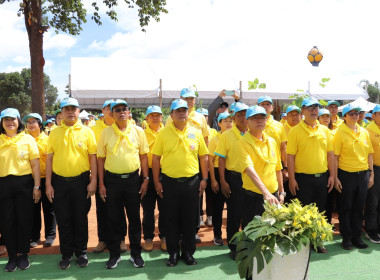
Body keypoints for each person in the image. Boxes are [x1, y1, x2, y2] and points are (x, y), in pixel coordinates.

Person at [152, 99, 209, 267]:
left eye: (184, 110)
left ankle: (188, 253)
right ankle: (173, 253)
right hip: (169, 183)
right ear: (171, 114)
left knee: (190, 219)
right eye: (178, 110)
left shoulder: (196, 132)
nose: (182, 113)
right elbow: (155, 158)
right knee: (171, 219)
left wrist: (204, 178)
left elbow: (203, 156)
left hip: (192, 183)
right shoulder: (163, 133)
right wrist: (156, 181)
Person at [46, 97, 97, 269]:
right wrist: (48, 184)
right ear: (61, 112)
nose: (70, 112)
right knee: (64, 219)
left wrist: (94, 181)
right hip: (59, 182)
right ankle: (66, 254)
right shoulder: (54, 132)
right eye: (66, 109)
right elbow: (49, 158)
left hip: (81, 182)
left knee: (80, 219)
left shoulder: (87, 132)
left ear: (78, 111)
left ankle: (81, 253)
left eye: (73, 108)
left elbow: (93, 158)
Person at [97, 99, 149, 269]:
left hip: (133, 180)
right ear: (111, 114)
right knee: (113, 218)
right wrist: (101, 184)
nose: (121, 112)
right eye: (117, 110)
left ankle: (136, 254)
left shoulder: (138, 131)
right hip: (112, 181)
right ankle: (114, 254)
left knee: (134, 218)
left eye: (124, 109)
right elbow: (100, 159)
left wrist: (145, 179)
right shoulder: (105, 133)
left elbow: (143, 156)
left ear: (128, 112)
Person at [287, 98, 335, 253]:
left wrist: (332, 176)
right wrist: (292, 179)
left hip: (322, 177)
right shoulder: (295, 131)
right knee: (302, 212)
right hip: (302, 179)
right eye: (310, 108)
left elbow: (330, 155)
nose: (314, 110)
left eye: (316, 107)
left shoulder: (325, 130)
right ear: (303, 111)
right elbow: (290, 157)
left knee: (320, 211)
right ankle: (302, 243)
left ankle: (318, 241)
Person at [165, 88, 209, 242]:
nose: (190, 101)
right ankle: (177, 233)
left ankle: (193, 230)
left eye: (192, 98)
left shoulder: (200, 117)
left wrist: (205, 165)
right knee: (177, 203)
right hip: (177, 160)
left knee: (196, 197)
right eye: (187, 98)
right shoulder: (172, 117)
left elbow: (205, 139)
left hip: (196, 157)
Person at [0, 108, 41, 272]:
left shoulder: (28, 139)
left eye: (13, 119)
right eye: (6, 120)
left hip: (24, 183)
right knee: (6, 221)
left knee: (24, 220)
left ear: (18, 122)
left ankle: (23, 254)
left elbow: (35, 164)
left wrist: (37, 187)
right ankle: (12, 257)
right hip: (3, 184)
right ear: (2, 123)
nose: (10, 122)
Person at [334, 104, 374, 250]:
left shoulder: (364, 132)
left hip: (363, 174)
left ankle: (357, 237)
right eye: (350, 113)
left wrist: (371, 173)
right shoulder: (340, 132)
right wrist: (336, 177)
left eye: (356, 113)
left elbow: (369, 154)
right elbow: (335, 157)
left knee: (358, 208)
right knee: (346, 208)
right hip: (346, 175)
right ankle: (346, 238)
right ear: (344, 117)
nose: (354, 115)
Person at [91, 100, 128, 254]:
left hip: (117, 173)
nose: (113, 111)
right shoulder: (94, 129)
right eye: (109, 108)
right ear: (104, 110)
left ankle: (120, 239)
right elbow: (94, 155)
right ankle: (103, 239)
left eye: (119, 109)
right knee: (102, 208)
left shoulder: (126, 126)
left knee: (119, 209)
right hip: (102, 173)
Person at [238, 106, 284, 228]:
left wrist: (282, 192)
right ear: (246, 122)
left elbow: (278, 168)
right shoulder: (242, 143)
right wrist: (265, 193)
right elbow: (249, 169)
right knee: (252, 236)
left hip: (272, 196)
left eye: (262, 118)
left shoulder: (272, 141)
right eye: (255, 118)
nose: (259, 121)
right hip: (253, 197)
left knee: (273, 234)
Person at [214, 102, 249, 260]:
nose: (242, 117)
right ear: (234, 117)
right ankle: (234, 247)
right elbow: (221, 160)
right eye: (239, 114)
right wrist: (222, 181)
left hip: (251, 178)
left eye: (245, 114)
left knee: (250, 214)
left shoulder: (253, 132)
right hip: (233, 178)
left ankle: (248, 245)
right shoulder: (226, 135)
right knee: (234, 214)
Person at [23, 113, 56, 248]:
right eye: (28, 122)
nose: (31, 125)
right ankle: (35, 236)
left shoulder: (48, 140)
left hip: (47, 178)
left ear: (40, 124)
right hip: (31, 180)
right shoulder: (24, 140)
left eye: (33, 122)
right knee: (33, 209)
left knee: (49, 209)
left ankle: (50, 235)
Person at [141, 105, 167, 252]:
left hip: (166, 173)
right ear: (147, 118)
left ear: (162, 117)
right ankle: (148, 238)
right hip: (147, 174)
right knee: (148, 208)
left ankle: (164, 236)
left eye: (158, 115)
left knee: (165, 208)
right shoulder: (142, 133)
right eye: (152, 115)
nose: (155, 118)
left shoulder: (167, 132)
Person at [208, 111, 233, 246]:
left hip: (232, 172)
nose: (229, 124)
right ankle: (217, 235)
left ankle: (232, 236)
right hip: (218, 173)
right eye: (225, 121)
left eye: (230, 121)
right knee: (218, 207)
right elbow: (210, 161)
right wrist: (213, 179)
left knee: (233, 207)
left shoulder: (236, 137)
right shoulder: (214, 139)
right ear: (219, 124)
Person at [258, 95, 288, 183]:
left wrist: (285, 167)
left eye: (268, 104)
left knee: (276, 193)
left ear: (272, 108)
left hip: (275, 167)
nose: (265, 106)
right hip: (257, 167)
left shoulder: (279, 125)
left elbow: (283, 148)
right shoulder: (253, 124)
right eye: (262, 104)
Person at [196, 107, 216, 227]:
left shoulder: (213, 132)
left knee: (210, 192)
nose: (203, 118)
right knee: (199, 191)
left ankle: (210, 216)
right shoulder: (195, 131)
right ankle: (198, 216)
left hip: (211, 164)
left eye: (205, 116)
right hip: (198, 163)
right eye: (201, 115)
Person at [365, 105, 380, 243]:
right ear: (373, 116)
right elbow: (367, 153)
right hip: (375, 169)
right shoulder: (368, 131)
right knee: (372, 202)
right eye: (379, 114)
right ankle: (371, 230)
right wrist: (371, 172)